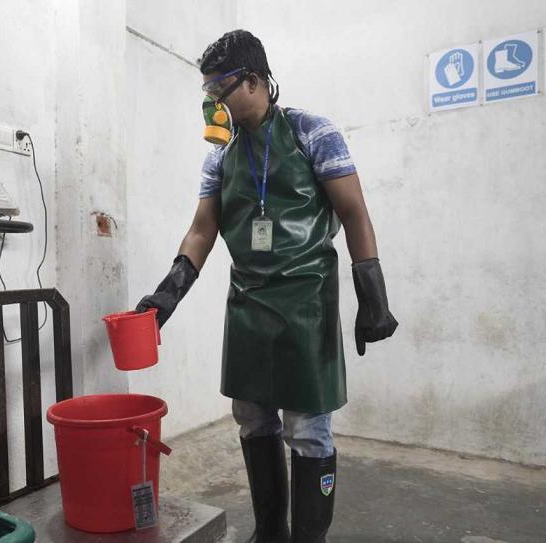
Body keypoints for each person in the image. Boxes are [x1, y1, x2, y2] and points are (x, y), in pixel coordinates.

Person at [136, 30, 398, 543]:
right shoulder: (220, 156)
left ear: (254, 82)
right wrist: (167, 294)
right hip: (248, 306)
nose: (212, 102)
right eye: (207, 91)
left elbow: (353, 211)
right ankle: (269, 532)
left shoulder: (312, 133)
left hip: (306, 304)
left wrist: (373, 296)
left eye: (220, 89)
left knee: (307, 429)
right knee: (253, 421)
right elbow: (202, 230)